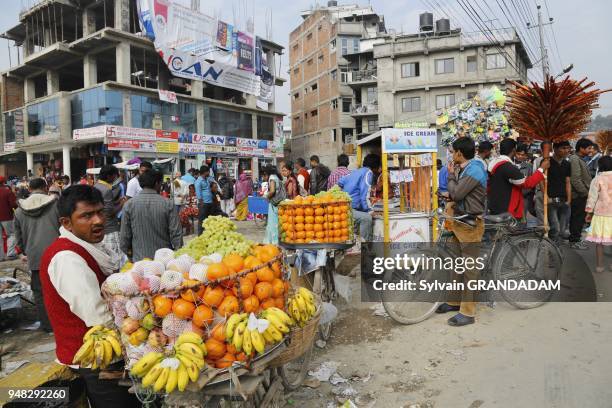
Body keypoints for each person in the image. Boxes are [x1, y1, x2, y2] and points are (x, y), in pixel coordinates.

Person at [38, 185, 136, 408]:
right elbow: (98, 316)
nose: (98, 220)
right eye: (87, 215)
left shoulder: (85, 247)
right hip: (95, 362)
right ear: (66, 223)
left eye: (100, 212)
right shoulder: (66, 258)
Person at [436, 137, 488, 327]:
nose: (450, 154)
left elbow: (457, 193)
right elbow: (456, 193)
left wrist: (450, 177)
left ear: (459, 153)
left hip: (471, 224)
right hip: (459, 221)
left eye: (452, 151)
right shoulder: (463, 168)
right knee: (456, 265)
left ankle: (468, 312)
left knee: (469, 270)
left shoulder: (475, 169)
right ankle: (453, 302)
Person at [14, 178, 60, 333]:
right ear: (45, 187)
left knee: (40, 293)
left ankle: (47, 325)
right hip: (58, 254)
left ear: (30, 189)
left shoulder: (20, 210)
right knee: (60, 288)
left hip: (35, 258)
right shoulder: (55, 204)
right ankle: (63, 322)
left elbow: (18, 237)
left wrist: (21, 252)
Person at [120, 170, 183, 261]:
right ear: (157, 183)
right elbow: (176, 234)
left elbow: (124, 237)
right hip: (165, 260)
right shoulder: (168, 204)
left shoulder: (129, 205)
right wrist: (178, 255)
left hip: (139, 260)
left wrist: (129, 257)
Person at [487, 139, 548, 218]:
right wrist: (541, 168)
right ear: (513, 150)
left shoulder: (495, 163)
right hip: (506, 209)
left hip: (496, 205)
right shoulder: (507, 166)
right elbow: (527, 184)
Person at [338, 154, 380, 242]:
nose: (380, 170)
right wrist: (370, 210)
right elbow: (364, 195)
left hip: (345, 207)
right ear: (375, 166)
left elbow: (340, 182)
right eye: (379, 167)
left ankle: (357, 244)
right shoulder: (368, 173)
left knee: (359, 221)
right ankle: (364, 248)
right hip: (349, 209)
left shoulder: (355, 172)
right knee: (366, 218)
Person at [585, 156, 612, 273]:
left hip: (601, 214)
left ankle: (600, 266)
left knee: (599, 242)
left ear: (600, 166)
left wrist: (589, 212)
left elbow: (592, 197)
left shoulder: (597, 179)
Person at [94, 165, 126, 257]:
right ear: (109, 176)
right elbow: (109, 212)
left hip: (103, 227)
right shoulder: (106, 190)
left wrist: (116, 201)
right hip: (110, 228)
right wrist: (122, 204)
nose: (116, 178)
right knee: (115, 257)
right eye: (115, 176)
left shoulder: (96, 186)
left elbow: (103, 205)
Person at [543, 141, 572, 243]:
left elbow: (568, 182)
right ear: (554, 148)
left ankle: (556, 251)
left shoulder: (567, 164)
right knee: (555, 228)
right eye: (563, 148)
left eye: (568, 148)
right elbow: (541, 180)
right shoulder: (547, 162)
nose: (566, 150)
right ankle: (552, 251)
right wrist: (546, 196)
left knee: (562, 230)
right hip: (551, 201)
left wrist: (568, 200)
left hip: (564, 201)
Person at [568, 138, 593, 249]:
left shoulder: (580, 159)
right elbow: (575, 179)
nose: (590, 150)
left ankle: (576, 239)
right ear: (581, 148)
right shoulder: (574, 159)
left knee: (579, 219)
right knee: (577, 219)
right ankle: (574, 241)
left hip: (581, 195)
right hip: (578, 196)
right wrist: (585, 193)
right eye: (588, 148)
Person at [262, 166, 283, 245]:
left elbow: (272, 191)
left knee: (272, 222)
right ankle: (276, 240)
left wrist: (266, 196)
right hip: (278, 203)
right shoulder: (277, 177)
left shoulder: (272, 178)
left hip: (274, 203)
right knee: (277, 222)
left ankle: (274, 242)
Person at [0, 175, 18, 260]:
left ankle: (0, 257)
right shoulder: (7, 192)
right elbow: (13, 205)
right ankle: (11, 253)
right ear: (4, 182)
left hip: (5, 217)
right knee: (12, 234)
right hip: (7, 217)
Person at [195, 165, 216, 235]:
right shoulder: (199, 181)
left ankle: (208, 234)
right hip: (203, 204)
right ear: (205, 172)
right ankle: (200, 235)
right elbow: (198, 193)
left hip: (209, 202)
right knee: (202, 220)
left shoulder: (207, 180)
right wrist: (201, 203)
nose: (209, 173)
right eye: (208, 172)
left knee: (209, 220)